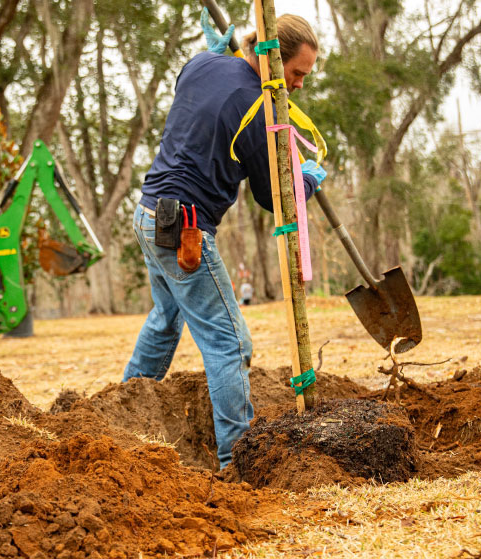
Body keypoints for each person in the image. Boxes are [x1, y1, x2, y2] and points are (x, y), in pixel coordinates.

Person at [123, 13, 321, 470]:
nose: (299, 85)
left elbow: (195, 86)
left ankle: (123, 419)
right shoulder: (258, 110)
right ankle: (238, 459)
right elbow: (274, 198)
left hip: (149, 212)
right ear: (274, 59)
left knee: (165, 318)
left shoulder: (200, 63)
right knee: (231, 343)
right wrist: (306, 182)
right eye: (296, 74)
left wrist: (225, 54)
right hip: (183, 231)